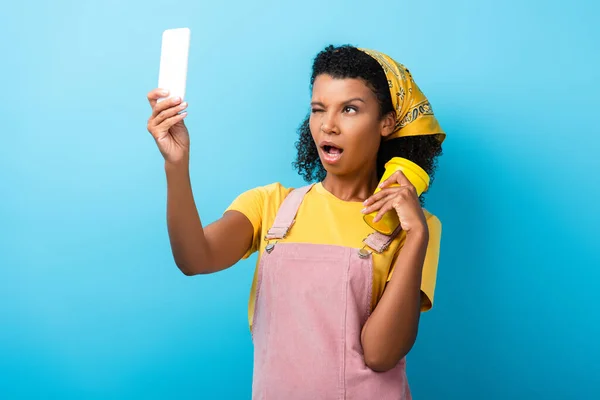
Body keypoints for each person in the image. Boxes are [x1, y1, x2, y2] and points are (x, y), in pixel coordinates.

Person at [146, 44, 445, 399]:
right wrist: (176, 165)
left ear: (386, 123)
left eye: (349, 109)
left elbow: (381, 355)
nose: (328, 125)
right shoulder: (271, 205)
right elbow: (194, 259)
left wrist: (414, 239)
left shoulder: (418, 227)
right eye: (319, 109)